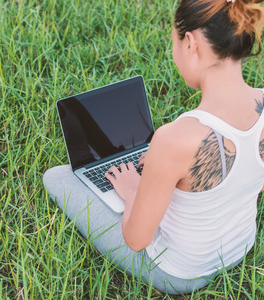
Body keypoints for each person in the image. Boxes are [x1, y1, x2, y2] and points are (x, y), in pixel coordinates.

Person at [43, 0, 264, 294]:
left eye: (172, 42)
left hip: (181, 273)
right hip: (240, 245)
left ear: (190, 43)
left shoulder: (174, 138)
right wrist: (167, 172)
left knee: (56, 177)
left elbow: (136, 240)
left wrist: (134, 188)